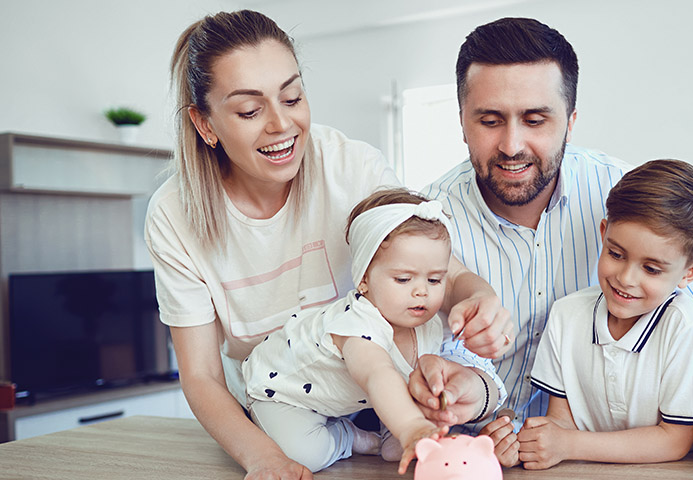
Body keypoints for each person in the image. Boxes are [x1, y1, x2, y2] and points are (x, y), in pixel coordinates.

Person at [145, 10, 511, 480]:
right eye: (250, 111)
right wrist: (264, 458)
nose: (281, 125)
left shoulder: (351, 167)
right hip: (278, 411)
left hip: (375, 399)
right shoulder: (175, 215)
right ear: (206, 123)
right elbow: (201, 376)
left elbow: (442, 269)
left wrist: (477, 296)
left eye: (292, 97)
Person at [410, 17, 693, 469]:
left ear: (571, 121)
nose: (512, 145)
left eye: (535, 119)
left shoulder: (621, 194)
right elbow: (416, 348)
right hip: (475, 459)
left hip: (606, 460)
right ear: (461, 121)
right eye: (491, 120)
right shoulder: (428, 220)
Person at [515, 159, 693, 469]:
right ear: (604, 233)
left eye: (651, 269)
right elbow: (560, 420)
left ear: (690, 273)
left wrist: (569, 444)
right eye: (616, 253)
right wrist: (535, 442)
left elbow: (675, 439)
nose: (626, 278)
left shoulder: (689, 328)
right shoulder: (566, 315)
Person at [244, 188, 461, 474]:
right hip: (282, 393)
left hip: (347, 396)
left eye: (435, 280)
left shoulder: (429, 324)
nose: (421, 291)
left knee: (403, 429)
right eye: (403, 278)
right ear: (364, 279)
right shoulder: (357, 324)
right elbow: (377, 374)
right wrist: (411, 426)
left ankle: (390, 434)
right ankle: (349, 436)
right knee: (305, 455)